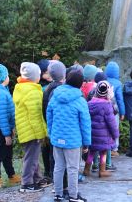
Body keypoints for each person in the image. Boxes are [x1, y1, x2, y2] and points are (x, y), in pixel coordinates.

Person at [47, 69, 91, 202]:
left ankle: (58, 194)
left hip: (57, 139)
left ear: (66, 79)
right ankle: (73, 196)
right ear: (80, 84)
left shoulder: (55, 95)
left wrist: (51, 132)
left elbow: (49, 115)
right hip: (73, 141)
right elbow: (85, 124)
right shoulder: (80, 100)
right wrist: (86, 142)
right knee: (73, 168)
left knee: (58, 167)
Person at [13, 62, 49, 192]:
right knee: (31, 158)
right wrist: (42, 132)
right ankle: (27, 183)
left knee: (32, 156)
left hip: (25, 129)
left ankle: (38, 179)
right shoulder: (32, 92)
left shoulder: (21, 88)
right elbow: (35, 116)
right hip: (32, 131)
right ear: (35, 77)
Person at [0, 64, 21, 188]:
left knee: (7, 154)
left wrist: (11, 128)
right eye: (6, 75)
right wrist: (6, 134)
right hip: (1, 129)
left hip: (6, 128)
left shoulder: (2, 90)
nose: (8, 77)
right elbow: (2, 115)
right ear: (2, 77)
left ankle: (11, 176)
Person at [83, 81, 119, 178]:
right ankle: (102, 171)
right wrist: (115, 134)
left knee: (91, 152)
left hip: (92, 135)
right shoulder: (107, 105)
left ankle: (86, 169)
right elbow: (111, 122)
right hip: (104, 136)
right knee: (103, 153)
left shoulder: (89, 104)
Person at [42, 61, 67, 188]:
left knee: (54, 156)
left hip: (52, 128)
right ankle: (61, 183)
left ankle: (55, 179)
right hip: (61, 129)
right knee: (60, 158)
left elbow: (44, 110)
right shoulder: (61, 90)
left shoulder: (47, 89)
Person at [105, 61, 126, 159]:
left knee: (104, 128)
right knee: (114, 128)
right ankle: (114, 149)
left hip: (103, 109)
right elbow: (120, 99)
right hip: (114, 110)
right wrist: (122, 112)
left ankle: (105, 147)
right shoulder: (118, 83)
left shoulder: (103, 80)